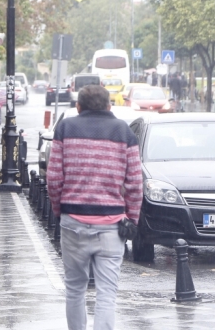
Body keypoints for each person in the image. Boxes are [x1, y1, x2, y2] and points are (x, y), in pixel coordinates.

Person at [47, 84, 143, 330]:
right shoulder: (124, 132)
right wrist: (131, 219)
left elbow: (54, 178)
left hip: (73, 223)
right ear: (109, 106)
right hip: (111, 225)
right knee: (107, 293)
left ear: (78, 107)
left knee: (75, 289)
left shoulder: (65, 128)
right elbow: (134, 183)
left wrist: (60, 212)